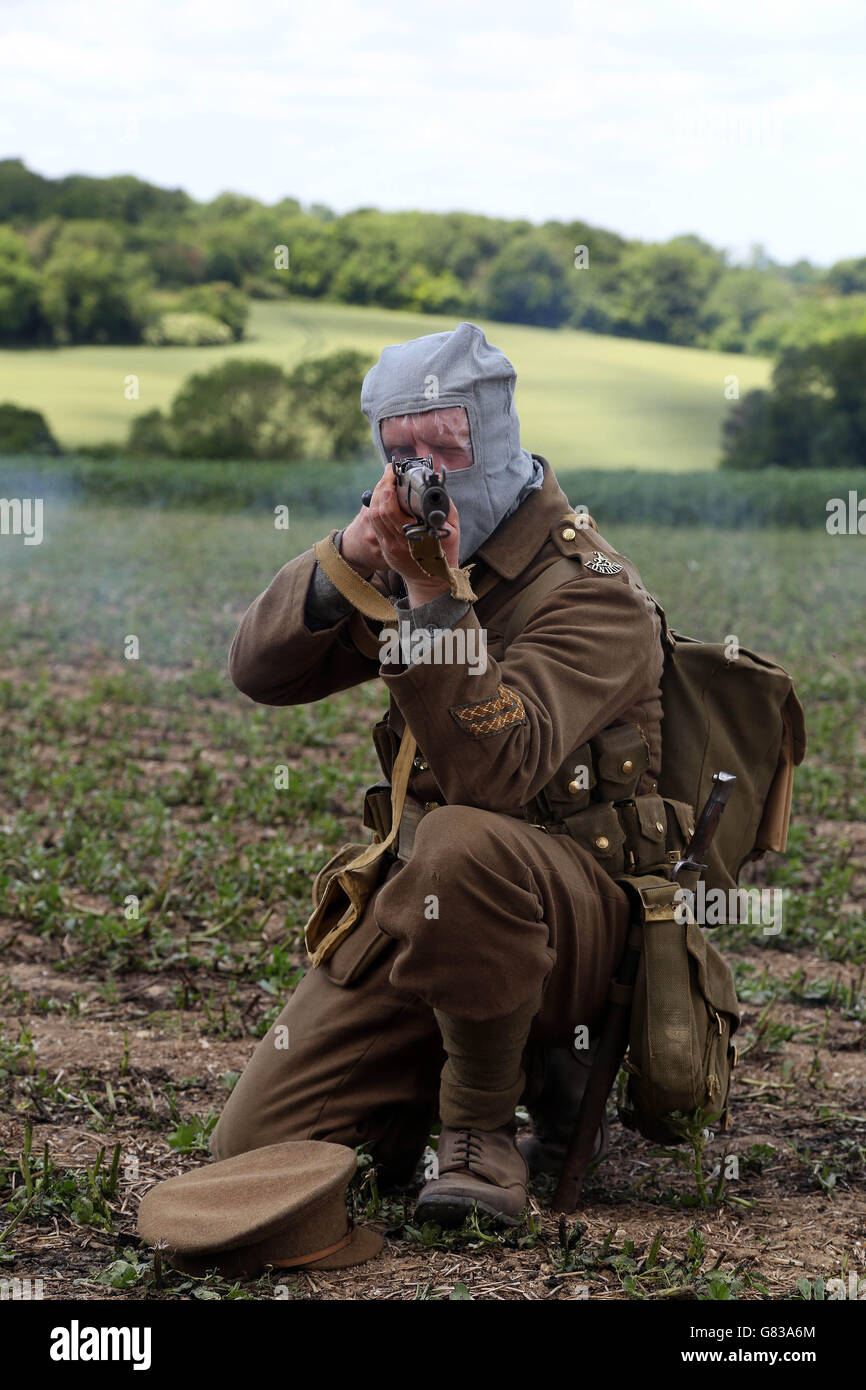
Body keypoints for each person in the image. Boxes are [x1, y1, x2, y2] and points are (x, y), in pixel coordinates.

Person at [210, 321, 667, 1227]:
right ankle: (421, 1076)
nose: (428, 472)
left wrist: (433, 601)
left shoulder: (594, 591)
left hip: (570, 918)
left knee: (461, 844)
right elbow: (262, 674)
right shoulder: (415, 550)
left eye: (448, 447)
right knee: (253, 1154)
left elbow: (496, 778)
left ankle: (484, 1132)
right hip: (439, 906)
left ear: (496, 439)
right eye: (402, 453)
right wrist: (351, 556)